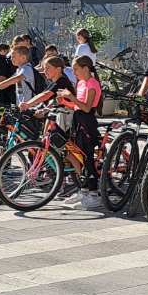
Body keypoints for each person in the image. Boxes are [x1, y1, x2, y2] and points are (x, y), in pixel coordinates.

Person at [60, 55, 105, 210]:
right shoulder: (81, 83)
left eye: (76, 69)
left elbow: (86, 107)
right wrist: (65, 101)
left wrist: (70, 96)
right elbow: (77, 106)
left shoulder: (92, 83)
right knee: (72, 154)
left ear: (86, 68)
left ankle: (93, 193)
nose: (74, 72)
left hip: (87, 122)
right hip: (78, 121)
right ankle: (83, 188)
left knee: (87, 157)